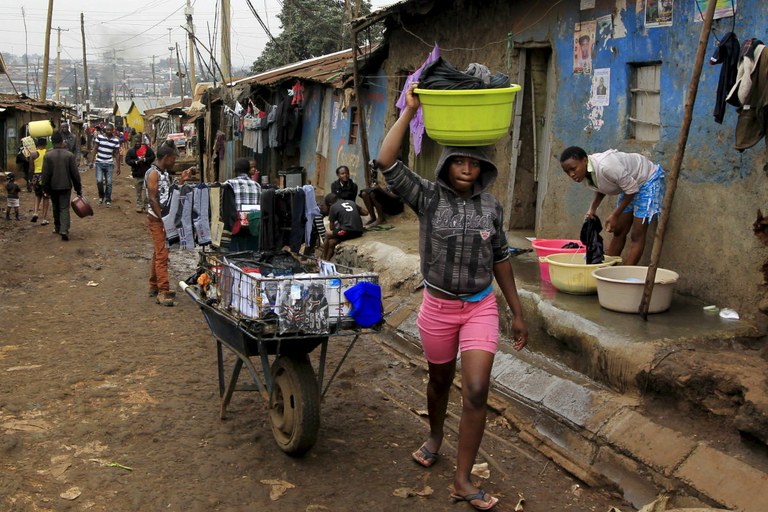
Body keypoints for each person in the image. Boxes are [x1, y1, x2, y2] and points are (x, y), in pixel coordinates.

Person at [375, 83, 528, 511]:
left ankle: (463, 480)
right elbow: (385, 161)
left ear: (483, 169)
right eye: (458, 161)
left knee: (477, 390)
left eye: (474, 163)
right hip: (438, 309)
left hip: (480, 306)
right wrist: (408, 112)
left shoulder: (492, 209)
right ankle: (435, 434)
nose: (466, 168)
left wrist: (516, 312)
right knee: (439, 381)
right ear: (446, 166)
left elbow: (500, 257)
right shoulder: (427, 196)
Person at [560, 146, 666, 265]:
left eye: (573, 169)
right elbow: (601, 186)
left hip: (647, 179)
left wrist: (615, 215)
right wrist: (592, 209)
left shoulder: (606, 166)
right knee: (619, 230)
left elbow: (632, 189)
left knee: (637, 234)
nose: (571, 174)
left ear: (584, 160)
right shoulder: (584, 174)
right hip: (630, 186)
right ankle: (606, 269)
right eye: (567, 172)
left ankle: (625, 276)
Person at [145, 141, 194, 306]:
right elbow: (152, 199)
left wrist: (181, 181)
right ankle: (163, 291)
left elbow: (168, 193)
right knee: (162, 254)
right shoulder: (153, 174)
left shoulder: (163, 173)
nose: (174, 162)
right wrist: (163, 219)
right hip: (157, 218)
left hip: (163, 218)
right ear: (165, 157)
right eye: (173, 159)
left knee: (159, 252)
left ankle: (154, 285)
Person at [42, 131, 83, 241]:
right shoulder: (69, 155)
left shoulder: (48, 155)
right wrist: (78, 189)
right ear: (62, 141)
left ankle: (57, 227)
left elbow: (45, 174)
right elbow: (75, 174)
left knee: (55, 207)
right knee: (64, 208)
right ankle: (64, 230)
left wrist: (45, 188)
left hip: (53, 186)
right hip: (66, 186)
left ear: (52, 141)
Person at [321, 193, 368, 261]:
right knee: (331, 242)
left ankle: (323, 258)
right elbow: (365, 213)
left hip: (347, 231)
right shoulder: (351, 202)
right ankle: (327, 261)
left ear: (330, 204)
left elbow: (331, 228)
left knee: (327, 234)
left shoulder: (333, 207)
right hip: (359, 231)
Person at [89, 123, 121, 207]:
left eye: (110, 130)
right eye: (107, 130)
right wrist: (91, 161)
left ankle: (108, 199)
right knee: (99, 181)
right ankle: (101, 196)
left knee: (109, 183)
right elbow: (95, 149)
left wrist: (118, 167)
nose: (109, 131)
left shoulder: (116, 140)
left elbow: (117, 154)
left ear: (113, 130)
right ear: (105, 130)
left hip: (109, 163)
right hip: (99, 162)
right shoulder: (99, 137)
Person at [126, 138, 156, 213]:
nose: (137, 143)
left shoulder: (147, 149)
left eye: (139, 141)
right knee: (138, 191)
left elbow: (153, 157)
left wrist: (145, 160)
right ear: (134, 142)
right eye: (136, 141)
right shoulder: (131, 151)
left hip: (146, 173)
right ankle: (139, 205)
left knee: (146, 191)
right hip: (137, 173)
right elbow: (127, 160)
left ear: (141, 141)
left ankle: (145, 206)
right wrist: (135, 162)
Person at [29, 137, 50, 225]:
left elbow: (30, 169)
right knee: (46, 197)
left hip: (36, 177)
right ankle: (44, 219)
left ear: (37, 145)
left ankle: (35, 212)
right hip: (45, 177)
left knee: (37, 196)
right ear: (45, 145)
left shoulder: (33, 154)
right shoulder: (48, 153)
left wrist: (31, 180)